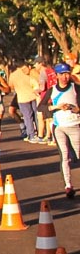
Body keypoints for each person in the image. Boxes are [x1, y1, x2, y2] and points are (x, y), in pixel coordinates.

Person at [38, 63, 80, 198]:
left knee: (78, 155)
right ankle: (68, 186)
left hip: (75, 125)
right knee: (65, 156)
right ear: (56, 76)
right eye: (61, 74)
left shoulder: (76, 88)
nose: (64, 77)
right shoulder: (52, 90)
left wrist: (78, 109)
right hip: (59, 127)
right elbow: (41, 107)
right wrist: (55, 107)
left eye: (67, 73)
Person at [9, 61, 40, 142]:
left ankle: (31, 135)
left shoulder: (13, 75)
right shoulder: (28, 71)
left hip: (22, 97)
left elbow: (11, 86)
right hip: (34, 95)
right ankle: (40, 133)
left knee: (27, 117)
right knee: (37, 115)